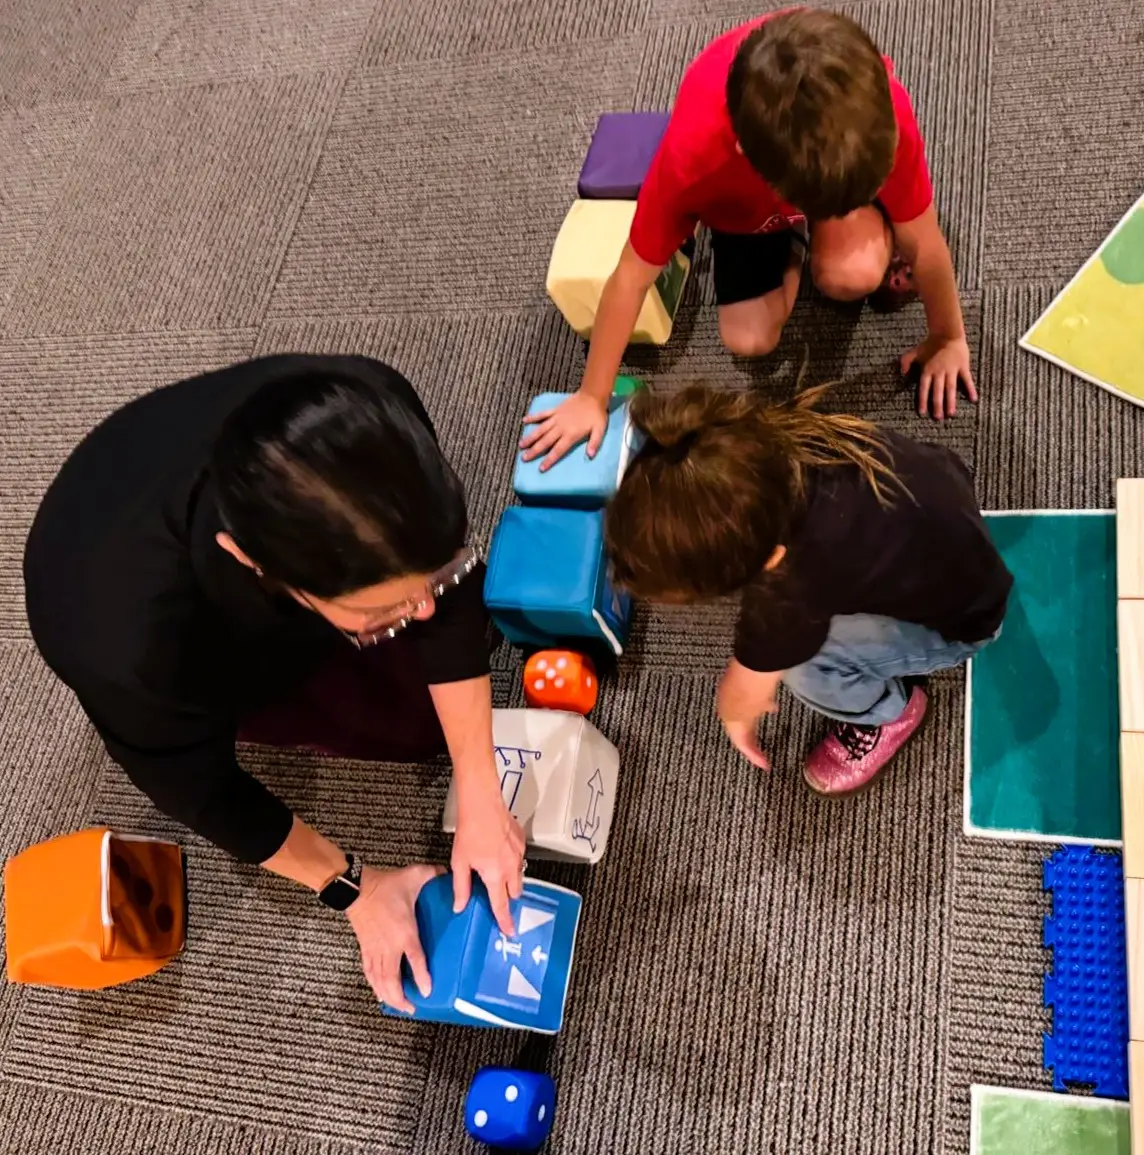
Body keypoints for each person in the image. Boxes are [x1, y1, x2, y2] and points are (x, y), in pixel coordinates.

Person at [23, 355, 526, 1013]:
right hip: (142, 609)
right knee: (412, 727)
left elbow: (447, 596)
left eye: (428, 580)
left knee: (454, 657)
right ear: (251, 561)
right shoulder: (140, 649)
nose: (424, 610)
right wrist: (357, 889)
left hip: (166, 481)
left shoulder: (370, 404)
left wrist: (482, 790)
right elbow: (207, 794)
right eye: (381, 610)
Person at [522, 7, 975, 473]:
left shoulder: (878, 114)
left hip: (812, 169)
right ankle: (796, 241)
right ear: (749, 158)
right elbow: (629, 279)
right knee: (748, 339)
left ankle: (834, 220)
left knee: (852, 276)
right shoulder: (693, 160)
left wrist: (947, 337)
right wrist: (591, 396)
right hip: (746, 210)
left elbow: (923, 241)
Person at [603, 383, 1012, 793]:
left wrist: (734, 714)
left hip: (966, 621)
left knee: (803, 668)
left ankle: (890, 712)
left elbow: (743, 691)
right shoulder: (773, 440)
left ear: (769, 560)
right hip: (943, 503)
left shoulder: (793, 591)